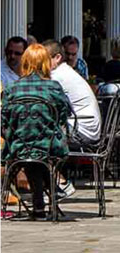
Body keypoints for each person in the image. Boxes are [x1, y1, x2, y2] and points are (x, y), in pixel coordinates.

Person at [1, 44, 71, 218]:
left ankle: (41, 203)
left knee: (30, 152)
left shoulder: (12, 88)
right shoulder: (53, 87)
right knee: (39, 153)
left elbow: (4, 121)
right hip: (49, 147)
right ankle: (51, 192)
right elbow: (63, 116)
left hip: (18, 147)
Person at [46, 40, 101, 200]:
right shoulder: (65, 72)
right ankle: (49, 185)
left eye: (44, 59)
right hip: (84, 125)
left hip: (82, 129)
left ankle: (59, 184)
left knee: (36, 138)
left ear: (56, 58)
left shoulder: (57, 76)